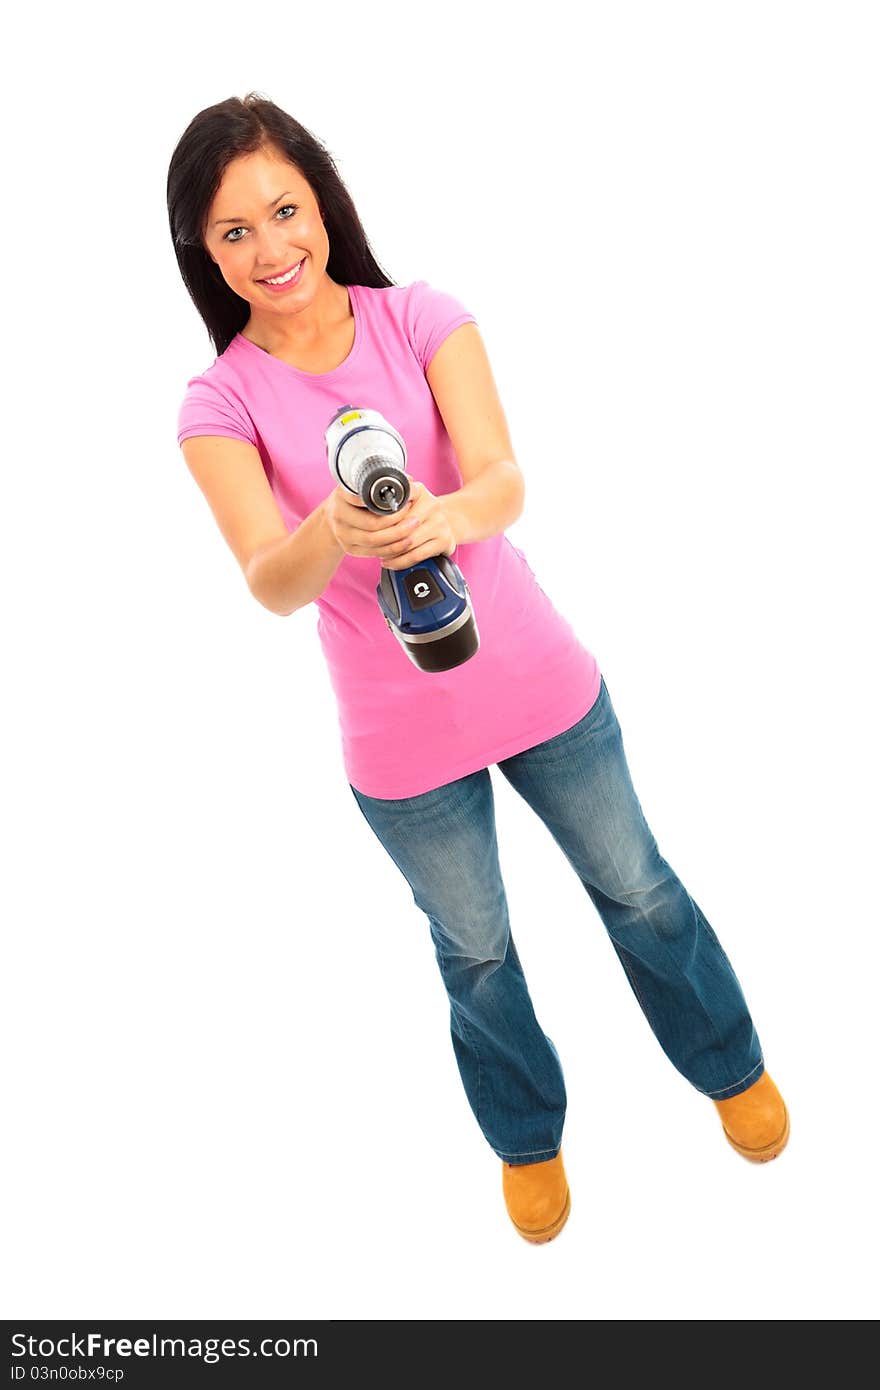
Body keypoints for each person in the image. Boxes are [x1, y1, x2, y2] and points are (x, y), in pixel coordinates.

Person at [168, 92, 789, 1245]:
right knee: (476, 952)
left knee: (640, 888)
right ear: (201, 251)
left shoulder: (421, 317)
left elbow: (505, 480)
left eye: (284, 211)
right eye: (233, 231)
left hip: (539, 684)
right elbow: (269, 577)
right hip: (399, 747)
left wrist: (438, 517)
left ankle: (729, 1062)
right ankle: (527, 1141)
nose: (271, 248)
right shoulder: (218, 402)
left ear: (322, 201)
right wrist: (332, 532)